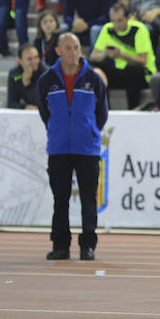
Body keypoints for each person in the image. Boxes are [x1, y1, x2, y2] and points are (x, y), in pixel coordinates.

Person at [37, 32, 108, 261]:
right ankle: (61, 246)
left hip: (87, 148)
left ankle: (88, 246)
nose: (73, 52)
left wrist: (88, 131)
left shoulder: (94, 79)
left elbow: (102, 114)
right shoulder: (47, 80)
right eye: (68, 48)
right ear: (58, 51)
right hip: (58, 149)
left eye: (76, 47)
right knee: (60, 199)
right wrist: (59, 129)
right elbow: (44, 112)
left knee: (89, 199)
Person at [89, 2, 155, 110]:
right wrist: (106, 53)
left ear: (128, 18)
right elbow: (93, 57)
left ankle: (133, 109)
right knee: (95, 68)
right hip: (118, 73)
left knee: (132, 69)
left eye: (119, 20)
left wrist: (121, 55)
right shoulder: (107, 29)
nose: (116, 25)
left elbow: (142, 61)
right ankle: (105, 110)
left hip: (142, 74)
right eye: (113, 21)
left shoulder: (139, 29)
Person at [7, 43, 47, 109]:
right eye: (29, 59)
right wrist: (25, 107)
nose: (34, 61)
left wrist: (27, 85)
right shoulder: (15, 75)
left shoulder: (46, 73)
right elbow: (11, 103)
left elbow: (39, 102)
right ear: (21, 61)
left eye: (36, 57)